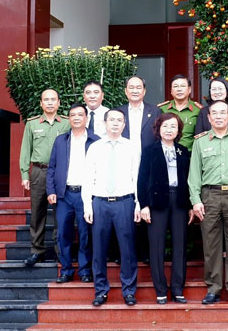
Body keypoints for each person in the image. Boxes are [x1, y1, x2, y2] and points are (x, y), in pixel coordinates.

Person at [188, 100, 228, 305]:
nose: (219, 116)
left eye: (223, 113)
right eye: (215, 113)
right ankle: (213, 287)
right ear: (209, 117)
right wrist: (195, 201)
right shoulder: (200, 141)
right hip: (209, 196)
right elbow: (194, 174)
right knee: (211, 244)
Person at [82, 109, 141, 307]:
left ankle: (129, 290)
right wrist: (87, 205)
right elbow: (87, 178)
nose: (115, 123)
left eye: (119, 120)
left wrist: (138, 203)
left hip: (125, 202)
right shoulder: (95, 147)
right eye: (112, 120)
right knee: (98, 249)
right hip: (100, 202)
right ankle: (100, 290)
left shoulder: (132, 147)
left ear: (124, 125)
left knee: (128, 249)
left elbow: (137, 176)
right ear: (105, 123)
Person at [138, 113, 193, 304]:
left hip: (179, 201)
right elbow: (142, 179)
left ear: (178, 131)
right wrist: (143, 205)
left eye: (173, 127)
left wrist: (191, 205)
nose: (169, 130)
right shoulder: (149, 150)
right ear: (158, 129)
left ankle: (178, 289)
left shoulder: (183, 151)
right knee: (157, 246)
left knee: (180, 246)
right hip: (156, 202)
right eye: (165, 126)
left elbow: (189, 179)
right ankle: (160, 290)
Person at [46, 103, 99, 283]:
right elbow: (51, 167)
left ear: (86, 118)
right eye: (72, 115)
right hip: (64, 195)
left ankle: (84, 270)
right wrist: (51, 190)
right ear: (69, 118)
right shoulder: (61, 140)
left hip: (86, 195)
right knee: (63, 234)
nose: (76, 118)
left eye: (80, 115)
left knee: (85, 233)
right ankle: (66, 270)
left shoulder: (95, 140)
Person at [19, 88, 70, 266]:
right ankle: (37, 251)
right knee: (37, 212)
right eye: (46, 99)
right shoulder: (32, 124)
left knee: (60, 213)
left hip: (60, 172)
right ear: (41, 103)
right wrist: (25, 173)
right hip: (39, 171)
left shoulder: (66, 123)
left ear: (59, 103)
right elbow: (26, 150)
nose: (49, 102)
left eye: (53, 99)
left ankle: (59, 251)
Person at [118, 75, 162, 263]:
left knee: (146, 204)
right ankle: (124, 253)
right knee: (126, 206)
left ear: (144, 91)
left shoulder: (155, 111)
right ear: (126, 91)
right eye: (131, 87)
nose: (135, 90)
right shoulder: (118, 112)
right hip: (124, 164)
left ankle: (145, 253)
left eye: (139, 87)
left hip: (148, 164)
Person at [159, 74, 202, 151]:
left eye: (182, 86)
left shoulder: (198, 110)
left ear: (189, 90)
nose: (179, 89)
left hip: (189, 156)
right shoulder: (162, 109)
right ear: (171, 91)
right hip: (166, 154)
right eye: (175, 86)